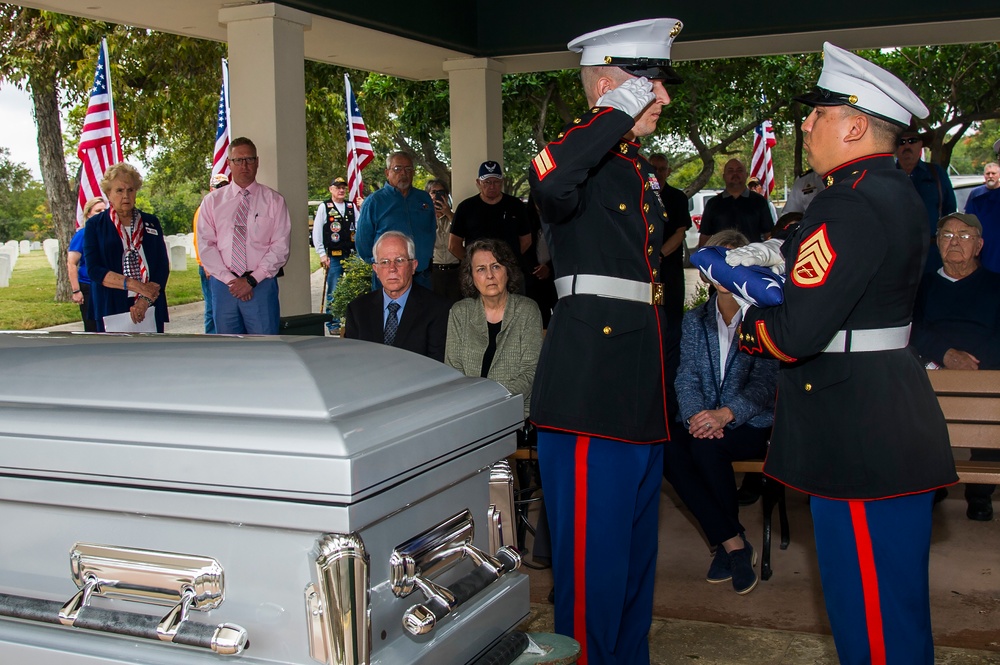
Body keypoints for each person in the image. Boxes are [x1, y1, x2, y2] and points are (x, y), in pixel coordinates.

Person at [727, 42, 957, 664]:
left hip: (855, 434)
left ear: (855, 126)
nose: (806, 124)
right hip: (886, 415)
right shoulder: (896, 190)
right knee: (896, 614)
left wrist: (750, 316)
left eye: (819, 113)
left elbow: (798, 332)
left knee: (870, 623)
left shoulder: (846, 199)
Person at [528, 17, 683, 665]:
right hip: (591, 396)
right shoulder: (579, 155)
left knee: (631, 574)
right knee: (592, 580)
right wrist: (614, 110)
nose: (665, 100)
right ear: (612, 86)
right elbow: (550, 178)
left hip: (639, 396)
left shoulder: (635, 172)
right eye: (652, 86)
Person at [664, 229, 778, 595]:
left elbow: (764, 385)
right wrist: (700, 417)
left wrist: (725, 415)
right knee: (668, 448)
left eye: (734, 263)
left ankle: (727, 543)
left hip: (749, 423)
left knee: (705, 448)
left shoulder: (766, 317)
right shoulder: (695, 319)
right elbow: (686, 376)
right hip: (705, 421)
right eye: (718, 263)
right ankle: (733, 542)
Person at [911, 212, 1000, 521]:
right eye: (947, 235)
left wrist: (975, 367)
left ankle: (979, 494)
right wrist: (947, 355)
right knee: (917, 407)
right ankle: (934, 485)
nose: (955, 241)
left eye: (964, 236)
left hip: (985, 375)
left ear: (979, 245)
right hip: (934, 372)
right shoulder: (922, 287)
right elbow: (912, 329)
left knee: (991, 406)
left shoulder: (995, 286)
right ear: (938, 244)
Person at [197, 137, 291, 335]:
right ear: (230, 164)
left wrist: (250, 281)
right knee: (229, 352)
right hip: (224, 287)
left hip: (261, 285)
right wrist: (232, 281)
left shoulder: (274, 201)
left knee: (266, 350)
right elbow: (206, 245)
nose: (244, 165)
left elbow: (280, 247)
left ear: (257, 162)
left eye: (249, 159)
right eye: (238, 160)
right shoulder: (212, 202)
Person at [445, 238, 542, 418]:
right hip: (468, 413)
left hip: (514, 414)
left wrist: (493, 400)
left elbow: (530, 372)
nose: (489, 275)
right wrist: (474, 405)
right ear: (471, 276)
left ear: (508, 271)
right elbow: (453, 371)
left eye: (496, 266)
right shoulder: (460, 312)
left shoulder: (527, 310)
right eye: (481, 269)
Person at [83, 163, 169, 332]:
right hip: (111, 305)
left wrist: (145, 299)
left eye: (130, 190)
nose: (126, 196)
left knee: (152, 355)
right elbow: (94, 270)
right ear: (108, 193)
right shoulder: (95, 225)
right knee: (115, 357)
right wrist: (136, 286)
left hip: (150, 304)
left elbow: (162, 266)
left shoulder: (150, 222)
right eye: (119, 191)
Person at [345, 230, 450, 361]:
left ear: (413, 266)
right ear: (376, 269)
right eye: (384, 262)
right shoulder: (357, 310)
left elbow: (437, 366)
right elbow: (352, 362)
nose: (392, 268)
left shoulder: (438, 310)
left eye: (399, 260)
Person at [355, 151, 436, 290]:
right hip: (389, 278)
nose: (403, 173)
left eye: (408, 169)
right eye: (397, 169)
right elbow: (363, 244)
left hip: (422, 275)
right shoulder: (374, 202)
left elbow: (431, 230)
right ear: (387, 173)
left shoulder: (424, 199)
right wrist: (383, 267)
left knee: (423, 311)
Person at [895, 126, 956, 272]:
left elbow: (950, 212)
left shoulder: (936, 174)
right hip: (895, 256)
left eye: (912, 140)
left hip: (932, 255)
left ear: (921, 144)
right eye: (901, 142)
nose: (907, 146)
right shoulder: (885, 176)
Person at [449, 161, 531, 261]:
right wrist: (472, 264)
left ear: (502, 182)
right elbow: (453, 245)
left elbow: (526, 240)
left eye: (496, 182)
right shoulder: (465, 207)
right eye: (487, 182)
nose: (492, 186)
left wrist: (509, 262)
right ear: (478, 182)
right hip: (477, 269)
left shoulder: (516, 205)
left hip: (509, 269)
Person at [312, 176, 357, 332]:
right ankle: (333, 323)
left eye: (343, 187)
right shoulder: (325, 207)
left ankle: (352, 321)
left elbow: (359, 226)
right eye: (337, 187)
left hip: (351, 254)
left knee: (354, 289)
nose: (341, 190)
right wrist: (322, 254)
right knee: (334, 290)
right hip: (334, 255)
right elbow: (317, 232)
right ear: (330, 189)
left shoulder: (351, 207)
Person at [698, 158, 773, 246]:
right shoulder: (713, 203)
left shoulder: (759, 201)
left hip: (752, 256)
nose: (735, 174)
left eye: (739, 170)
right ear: (724, 176)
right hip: (721, 256)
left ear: (746, 175)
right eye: (730, 171)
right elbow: (705, 236)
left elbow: (769, 234)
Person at [192, 173, 230, 334]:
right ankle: (212, 337)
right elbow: (200, 240)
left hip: (223, 267)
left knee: (222, 306)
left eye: (225, 186)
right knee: (212, 307)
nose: (221, 190)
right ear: (211, 189)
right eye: (218, 187)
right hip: (209, 268)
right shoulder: (203, 210)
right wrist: (206, 265)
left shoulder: (226, 209)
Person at [68, 197, 106, 332]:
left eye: (104, 210)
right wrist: (76, 290)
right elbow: (71, 263)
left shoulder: (109, 233)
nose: (102, 213)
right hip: (89, 286)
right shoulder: (82, 235)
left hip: (109, 286)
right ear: (88, 214)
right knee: (93, 327)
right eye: (98, 210)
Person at [425, 179, 462, 303]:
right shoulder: (424, 218)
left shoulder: (455, 217)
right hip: (434, 272)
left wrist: (448, 213)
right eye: (433, 192)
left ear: (446, 196)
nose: (437, 195)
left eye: (441, 192)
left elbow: (463, 234)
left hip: (455, 272)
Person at [965, 165, 1000, 273]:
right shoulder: (976, 197)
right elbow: (968, 224)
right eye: (988, 173)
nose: (990, 176)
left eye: (993, 173)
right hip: (986, 259)